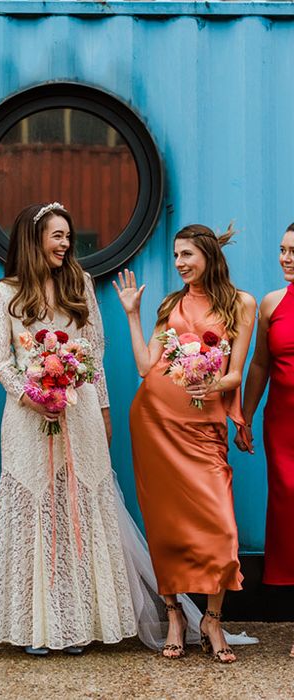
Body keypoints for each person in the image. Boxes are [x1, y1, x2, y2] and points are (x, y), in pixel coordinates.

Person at [0, 202, 137, 654]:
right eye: (57, 235)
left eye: (68, 236)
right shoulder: (1, 292)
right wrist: (31, 396)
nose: (66, 244)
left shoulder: (80, 284)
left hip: (81, 410)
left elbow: (96, 353)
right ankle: (37, 627)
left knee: (77, 506)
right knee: (36, 507)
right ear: (34, 240)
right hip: (27, 416)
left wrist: (104, 411)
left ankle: (78, 623)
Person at [114, 223, 256, 663]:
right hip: (155, 420)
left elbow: (236, 374)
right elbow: (143, 366)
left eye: (186, 255)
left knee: (221, 524)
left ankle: (212, 619)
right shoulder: (171, 304)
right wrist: (133, 315)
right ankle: (175, 614)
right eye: (175, 256)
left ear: (209, 255)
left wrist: (209, 384)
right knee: (167, 525)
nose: (179, 264)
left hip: (203, 427)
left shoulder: (240, 304)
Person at [235, 223, 294, 656]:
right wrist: (245, 415)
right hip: (283, 426)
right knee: (290, 517)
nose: (286, 258)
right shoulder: (272, 303)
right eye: (282, 250)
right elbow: (258, 365)